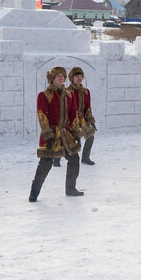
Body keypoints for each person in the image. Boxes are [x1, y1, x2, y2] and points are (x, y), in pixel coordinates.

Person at [30, 66, 83, 201]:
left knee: (74, 159)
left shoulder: (69, 94)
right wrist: (47, 135)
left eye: (63, 76)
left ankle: (70, 188)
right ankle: (34, 193)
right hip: (52, 135)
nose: (62, 78)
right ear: (52, 78)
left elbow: (73, 114)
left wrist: (76, 131)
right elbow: (42, 116)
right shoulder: (44, 95)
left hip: (67, 134)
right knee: (46, 162)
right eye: (58, 76)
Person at [69, 66, 97, 165]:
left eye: (81, 76)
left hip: (82, 120)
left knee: (90, 137)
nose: (79, 78)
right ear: (72, 77)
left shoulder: (86, 91)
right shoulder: (67, 91)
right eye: (77, 76)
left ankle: (85, 158)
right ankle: (57, 158)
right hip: (71, 120)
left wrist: (91, 121)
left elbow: (88, 108)